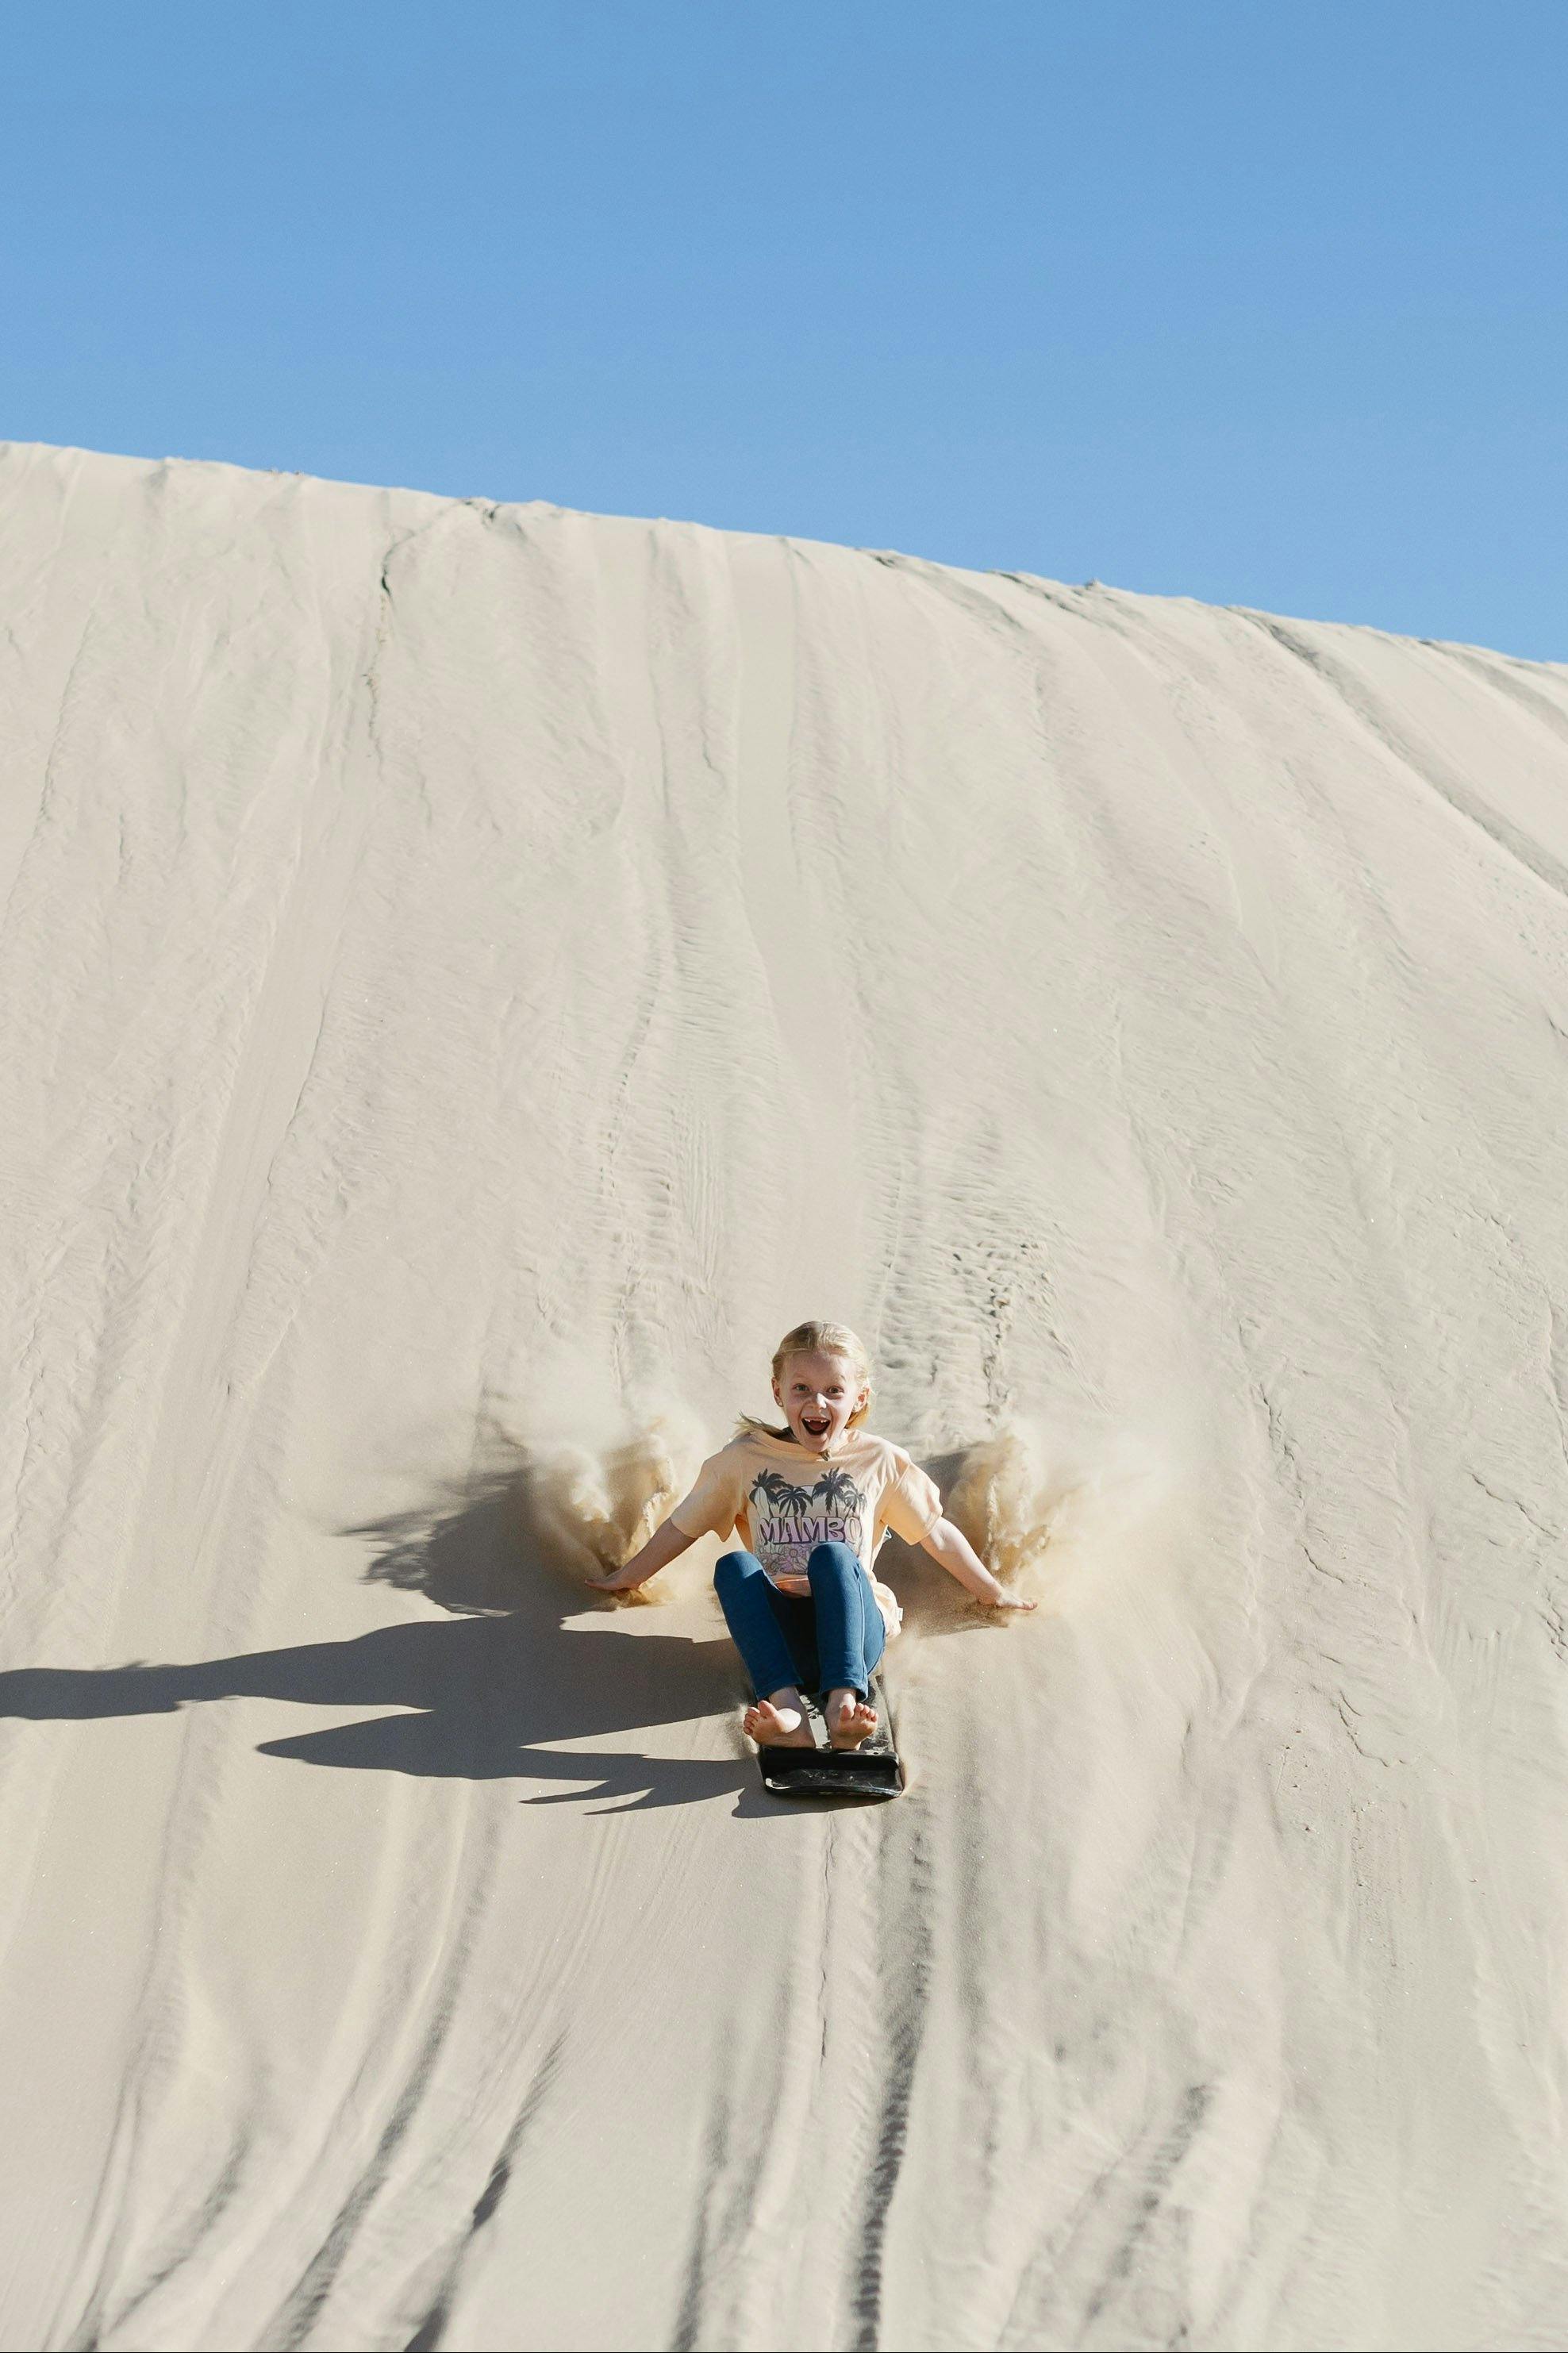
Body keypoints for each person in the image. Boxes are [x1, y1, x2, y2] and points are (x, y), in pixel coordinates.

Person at [589, 1319, 1036, 1752]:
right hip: (785, 1641)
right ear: (778, 1391)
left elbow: (934, 1533)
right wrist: (629, 1577)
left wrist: (992, 1592)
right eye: (801, 1388)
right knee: (734, 1566)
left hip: (855, 1633)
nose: (817, 1402)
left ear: (859, 1397)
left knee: (833, 1557)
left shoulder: (878, 1460)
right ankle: (789, 1714)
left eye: (834, 1391)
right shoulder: (744, 1460)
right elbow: (681, 1527)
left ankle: (843, 1706)